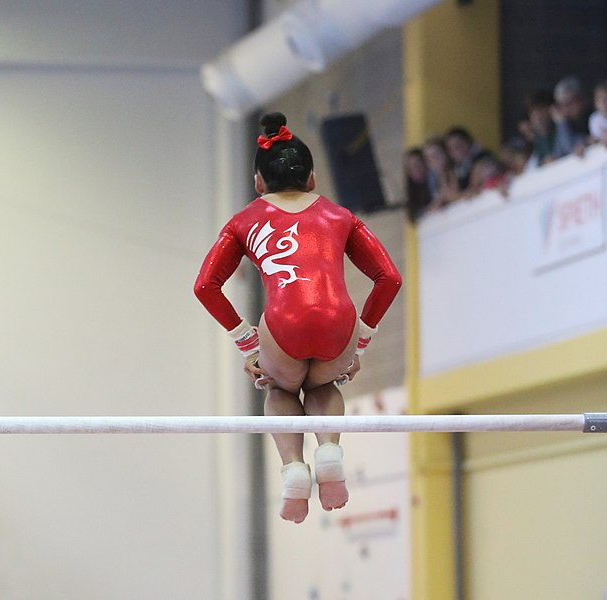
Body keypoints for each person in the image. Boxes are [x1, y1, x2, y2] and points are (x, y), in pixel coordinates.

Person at [194, 112, 402, 524]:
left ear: (258, 182)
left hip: (284, 325)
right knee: (323, 382)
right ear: (312, 179)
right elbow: (389, 278)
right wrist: (359, 340)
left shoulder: (243, 221)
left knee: (279, 388)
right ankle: (328, 451)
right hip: (338, 323)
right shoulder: (341, 216)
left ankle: (293, 470)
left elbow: (205, 286)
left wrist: (249, 344)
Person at [551, 76, 591, 158]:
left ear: (580, 99)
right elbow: (560, 152)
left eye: (568, 103)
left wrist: (561, 123)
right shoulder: (565, 124)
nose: (565, 108)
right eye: (560, 105)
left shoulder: (592, 117)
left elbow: (570, 147)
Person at [443, 126, 485, 191]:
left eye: (458, 145)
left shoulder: (483, 158)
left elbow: (474, 189)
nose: (456, 150)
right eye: (451, 148)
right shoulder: (456, 166)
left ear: (468, 141)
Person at [403, 147, 432, 223]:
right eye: (411, 167)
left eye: (417, 164)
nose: (415, 169)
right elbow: (412, 215)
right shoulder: (412, 193)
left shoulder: (436, 181)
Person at [588, 80, 607, 148]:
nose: (605, 103)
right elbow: (595, 139)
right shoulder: (594, 119)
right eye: (602, 100)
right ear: (596, 103)